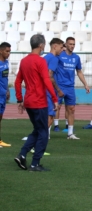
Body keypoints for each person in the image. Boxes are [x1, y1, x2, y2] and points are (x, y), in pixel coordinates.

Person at [14, 34, 58, 172]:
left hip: (28, 102)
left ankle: (22, 154)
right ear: (41, 45)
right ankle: (35, 163)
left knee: (37, 130)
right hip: (39, 102)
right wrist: (55, 99)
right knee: (43, 132)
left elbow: (17, 82)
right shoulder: (40, 61)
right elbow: (46, 80)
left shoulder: (24, 61)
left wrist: (20, 99)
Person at [54, 37, 90, 139]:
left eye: (73, 44)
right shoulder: (60, 55)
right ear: (65, 44)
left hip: (70, 87)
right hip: (59, 86)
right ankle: (48, 131)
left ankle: (70, 133)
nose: (72, 46)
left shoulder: (76, 58)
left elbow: (79, 71)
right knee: (55, 107)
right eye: (70, 44)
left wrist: (85, 84)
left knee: (71, 109)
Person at [43, 38, 64, 138]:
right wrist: (58, 90)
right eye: (61, 47)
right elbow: (49, 75)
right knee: (50, 117)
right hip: (49, 91)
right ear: (55, 46)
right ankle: (39, 142)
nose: (62, 49)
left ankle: (41, 139)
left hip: (42, 90)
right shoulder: (54, 59)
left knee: (44, 116)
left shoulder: (45, 58)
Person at [0, 42, 11, 148]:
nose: (8, 53)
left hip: (3, 94)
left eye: (9, 51)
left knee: (0, 117)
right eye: (7, 51)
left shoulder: (6, 63)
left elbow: (5, 78)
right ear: (1, 51)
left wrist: (7, 90)